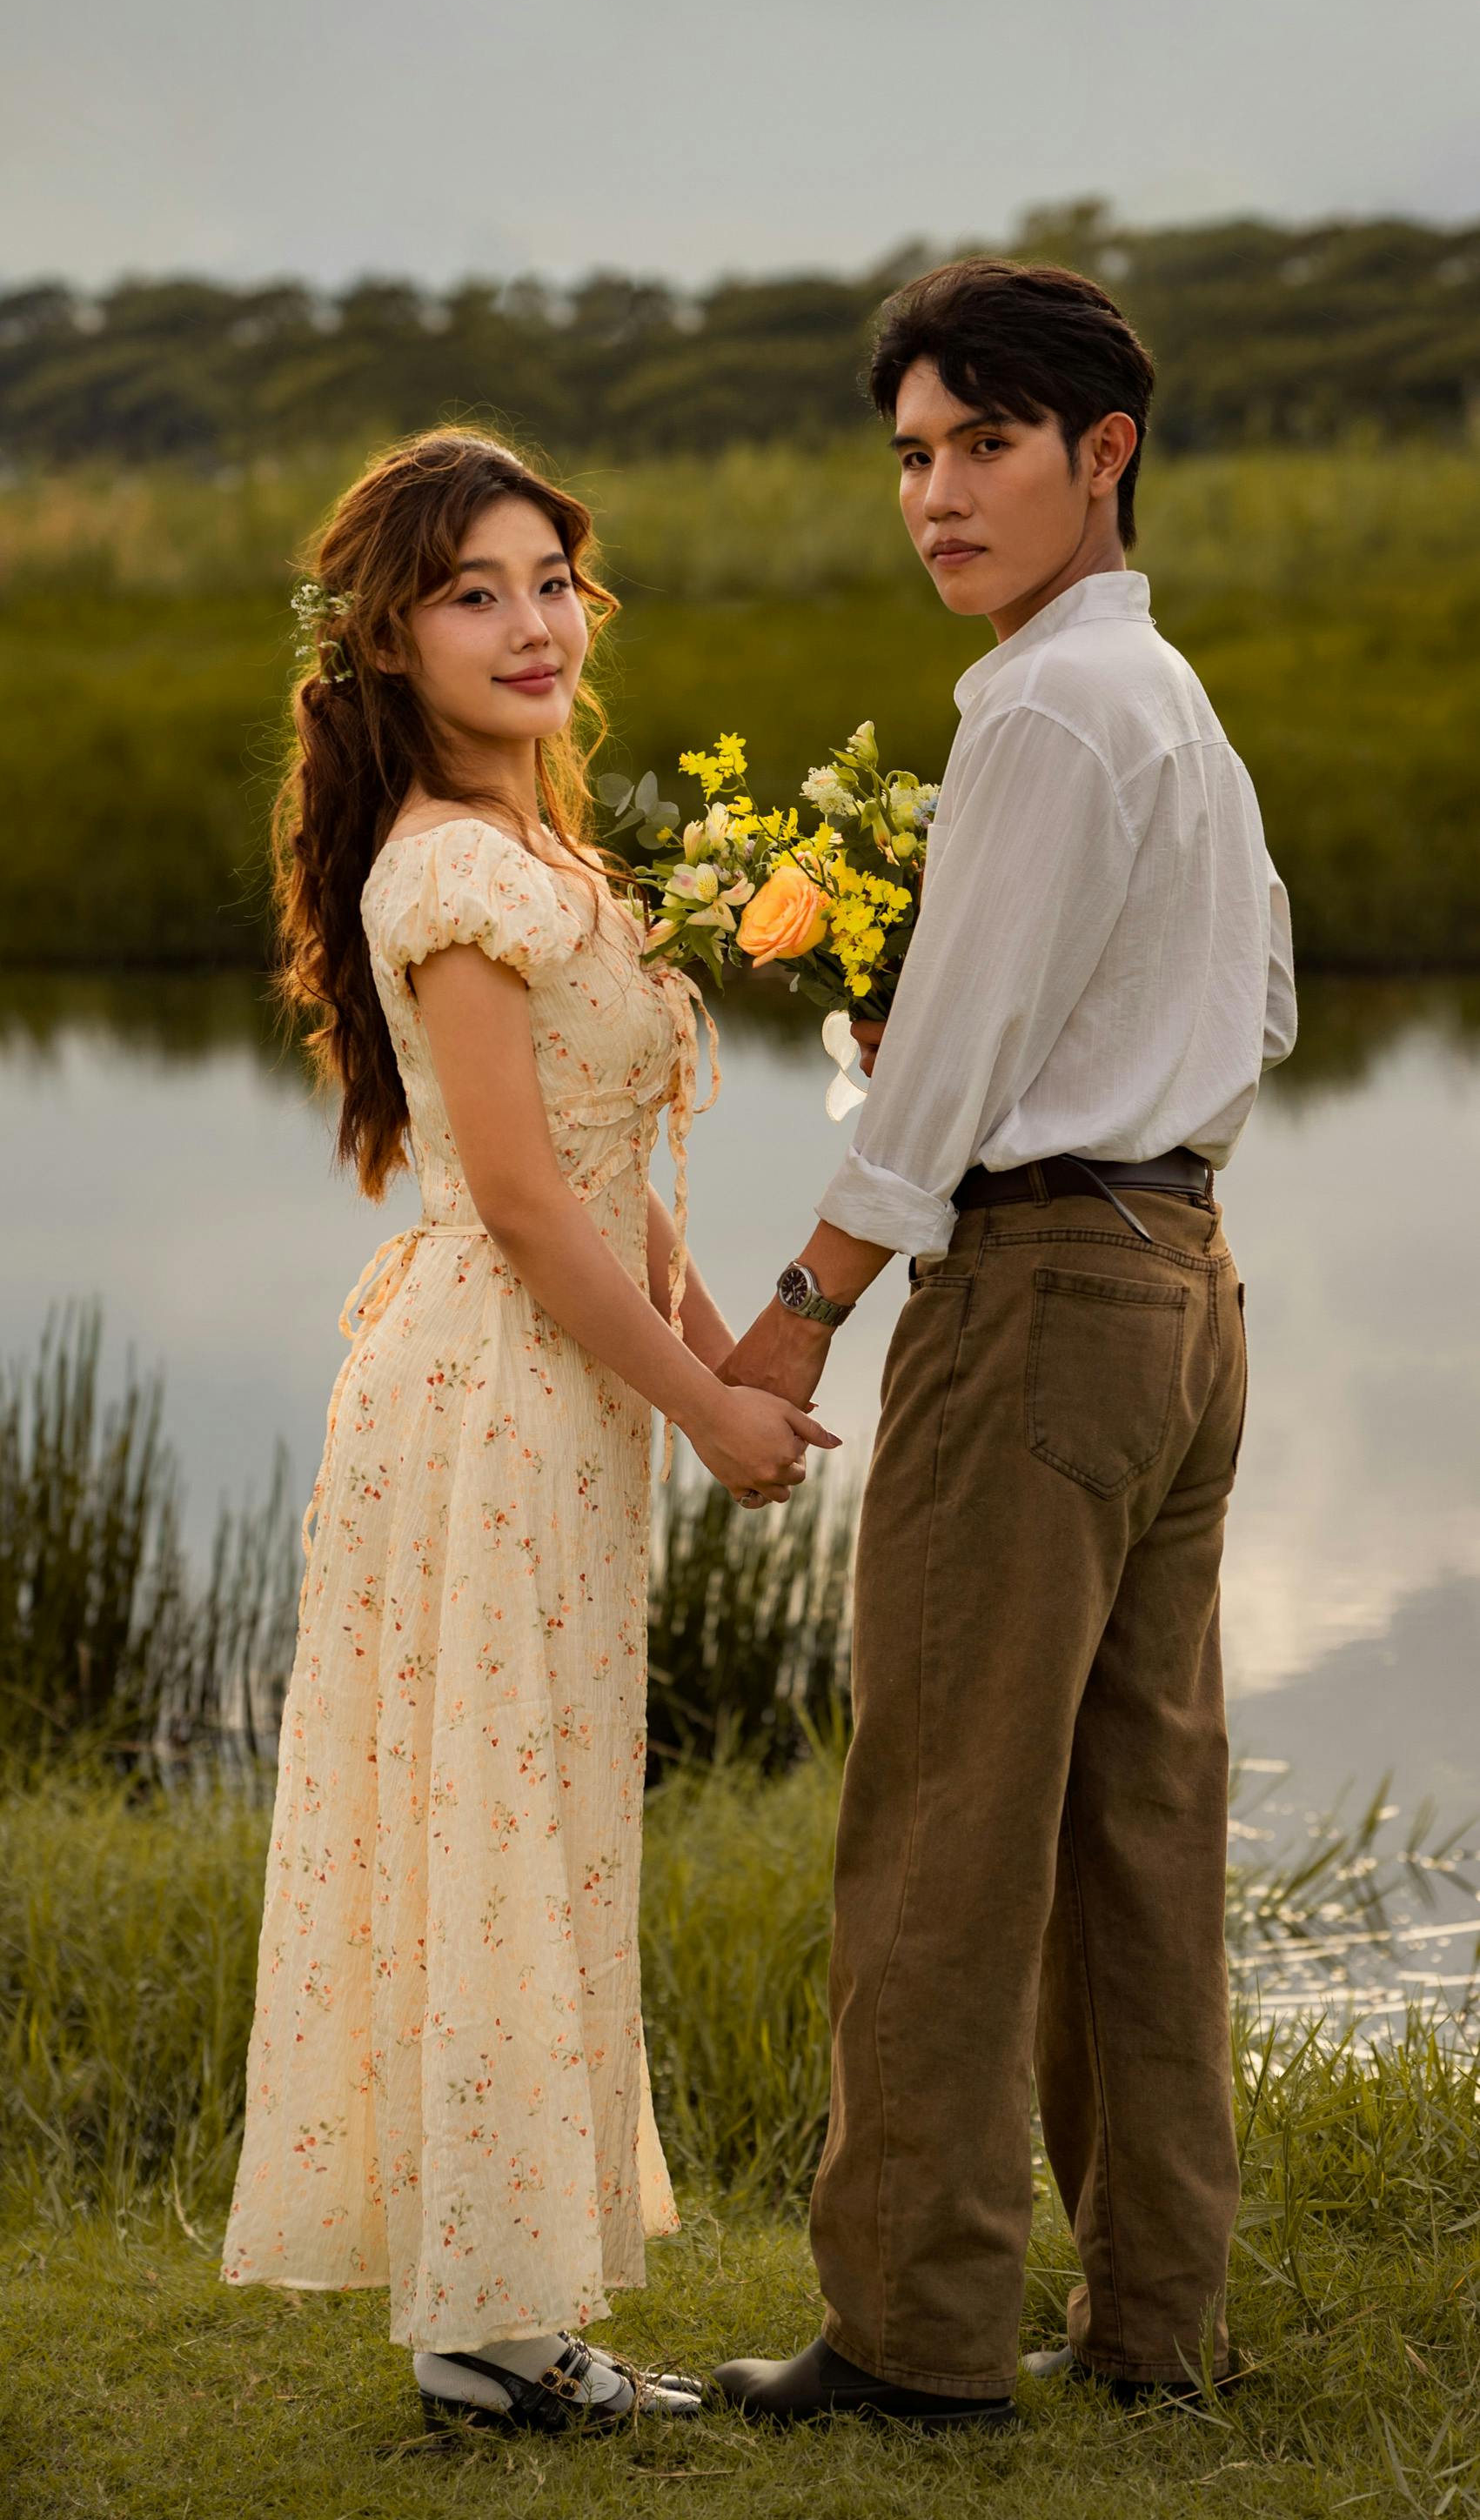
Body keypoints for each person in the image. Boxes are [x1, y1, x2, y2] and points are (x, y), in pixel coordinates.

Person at [713, 260, 1297, 2428]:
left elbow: (950, 1076)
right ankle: (1152, 2329)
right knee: (1130, 1828)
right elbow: (1254, 1013)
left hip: (1046, 1300)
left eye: (978, 446)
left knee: (947, 1823)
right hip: (1183, 1290)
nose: (934, 496)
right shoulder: (1169, 699)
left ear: (1100, 451)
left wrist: (792, 1317)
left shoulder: (1043, 707)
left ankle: (913, 2335)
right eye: (909, 455)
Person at [222, 427, 836, 2436]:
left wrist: (722, 1353)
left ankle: (510, 2308)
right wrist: (709, 1412)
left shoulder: (558, 851)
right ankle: (486, 2336)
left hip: (562, 1385)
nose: (528, 622)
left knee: (548, 1807)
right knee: (492, 1816)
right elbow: (513, 1197)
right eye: (473, 592)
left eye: (549, 580)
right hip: (488, 1386)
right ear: (391, 642)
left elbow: (610, 1173)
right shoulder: (453, 868)